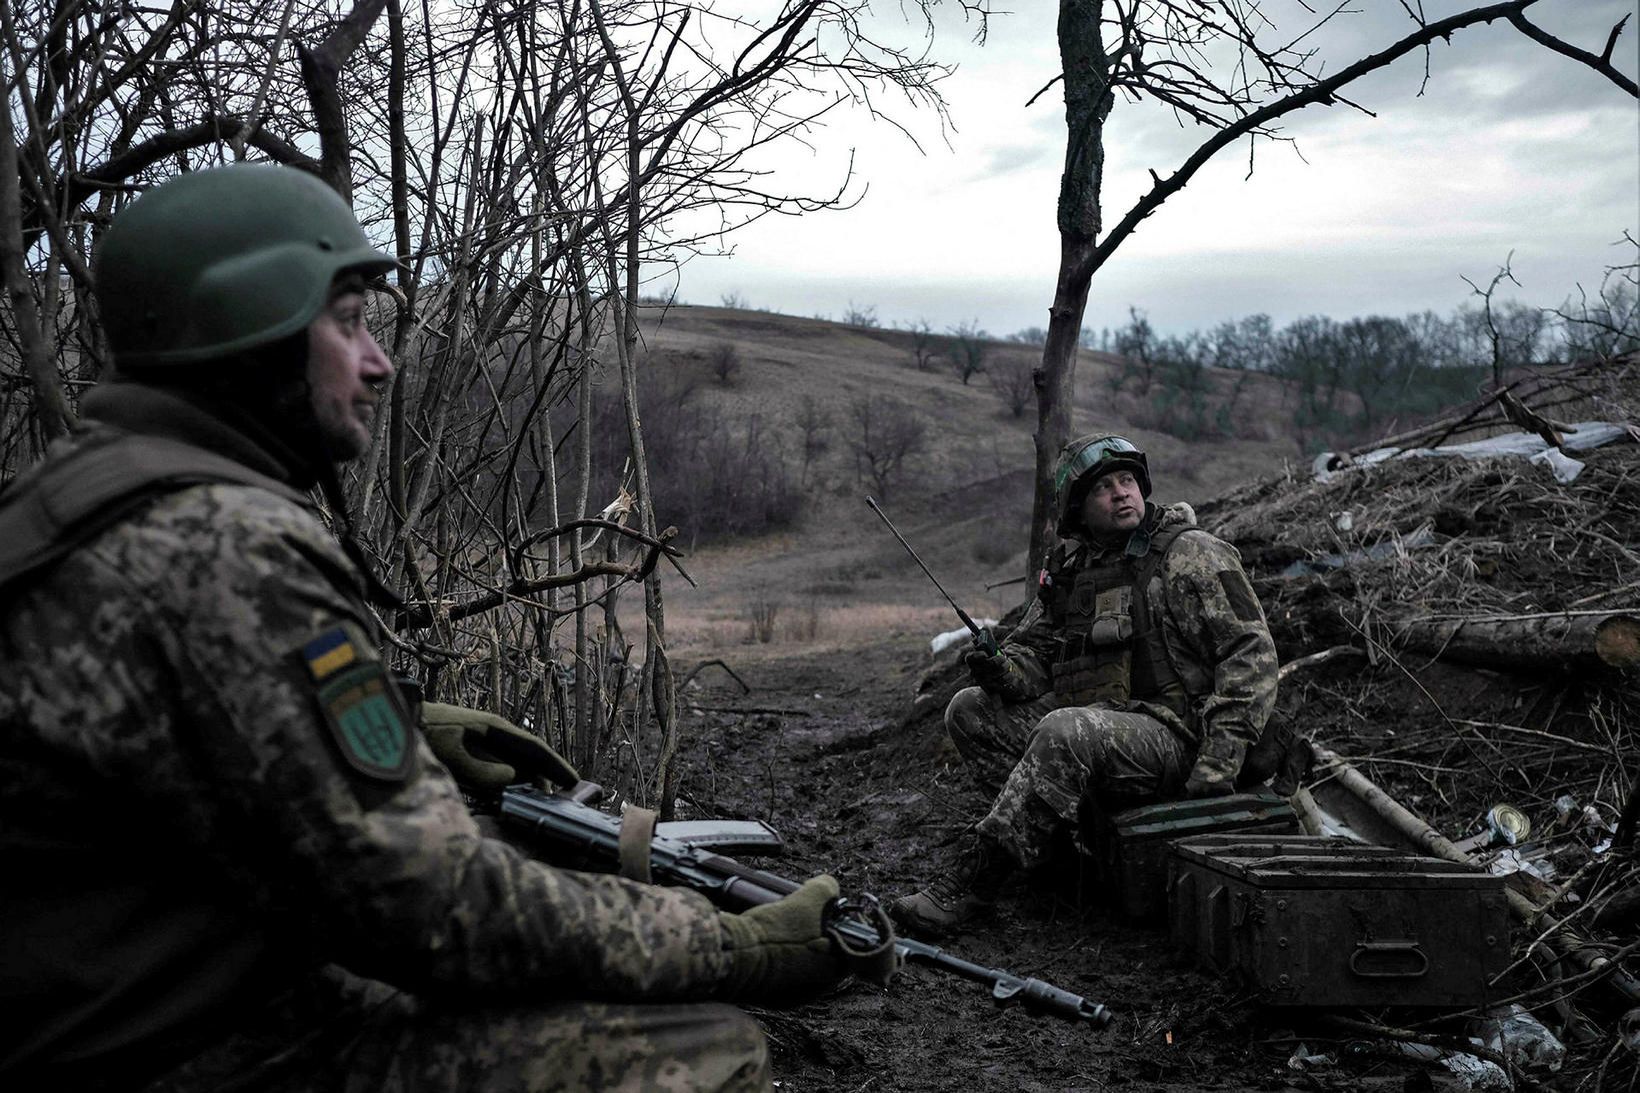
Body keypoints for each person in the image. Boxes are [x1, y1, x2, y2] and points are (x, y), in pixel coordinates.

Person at [0, 164, 860, 1092]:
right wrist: (731, 943)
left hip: (103, 1003)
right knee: (699, 1047)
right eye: (349, 321)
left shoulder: (71, 495)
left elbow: (194, 744)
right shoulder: (229, 545)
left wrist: (411, 729)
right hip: (167, 1048)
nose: (379, 362)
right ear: (250, 327)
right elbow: (441, 909)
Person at [890, 434, 1279, 937]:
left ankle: (975, 881)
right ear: (1078, 509)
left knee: (1066, 730)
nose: (1122, 494)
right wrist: (1000, 670)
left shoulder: (1191, 554)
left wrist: (1219, 761)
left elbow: (1251, 654)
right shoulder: (1073, 573)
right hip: (1099, 727)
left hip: (1180, 736)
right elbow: (1037, 658)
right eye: (1104, 488)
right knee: (968, 709)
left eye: (1127, 481)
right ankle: (1054, 865)